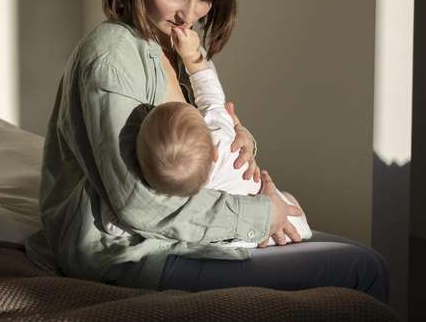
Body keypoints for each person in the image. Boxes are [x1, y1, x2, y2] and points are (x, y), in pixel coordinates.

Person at [24, 0, 388, 301]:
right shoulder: (111, 56)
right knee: (363, 268)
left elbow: (193, 138)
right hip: (131, 251)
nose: (189, 15)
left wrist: (241, 141)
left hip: (183, 233)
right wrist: (264, 216)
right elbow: (136, 202)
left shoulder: (172, 45)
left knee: (358, 257)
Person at [100, 24, 312, 248]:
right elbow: (209, 93)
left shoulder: (176, 194)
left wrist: (109, 206)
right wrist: (191, 54)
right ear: (213, 152)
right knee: (290, 205)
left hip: (228, 241)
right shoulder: (220, 141)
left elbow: (115, 223)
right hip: (281, 223)